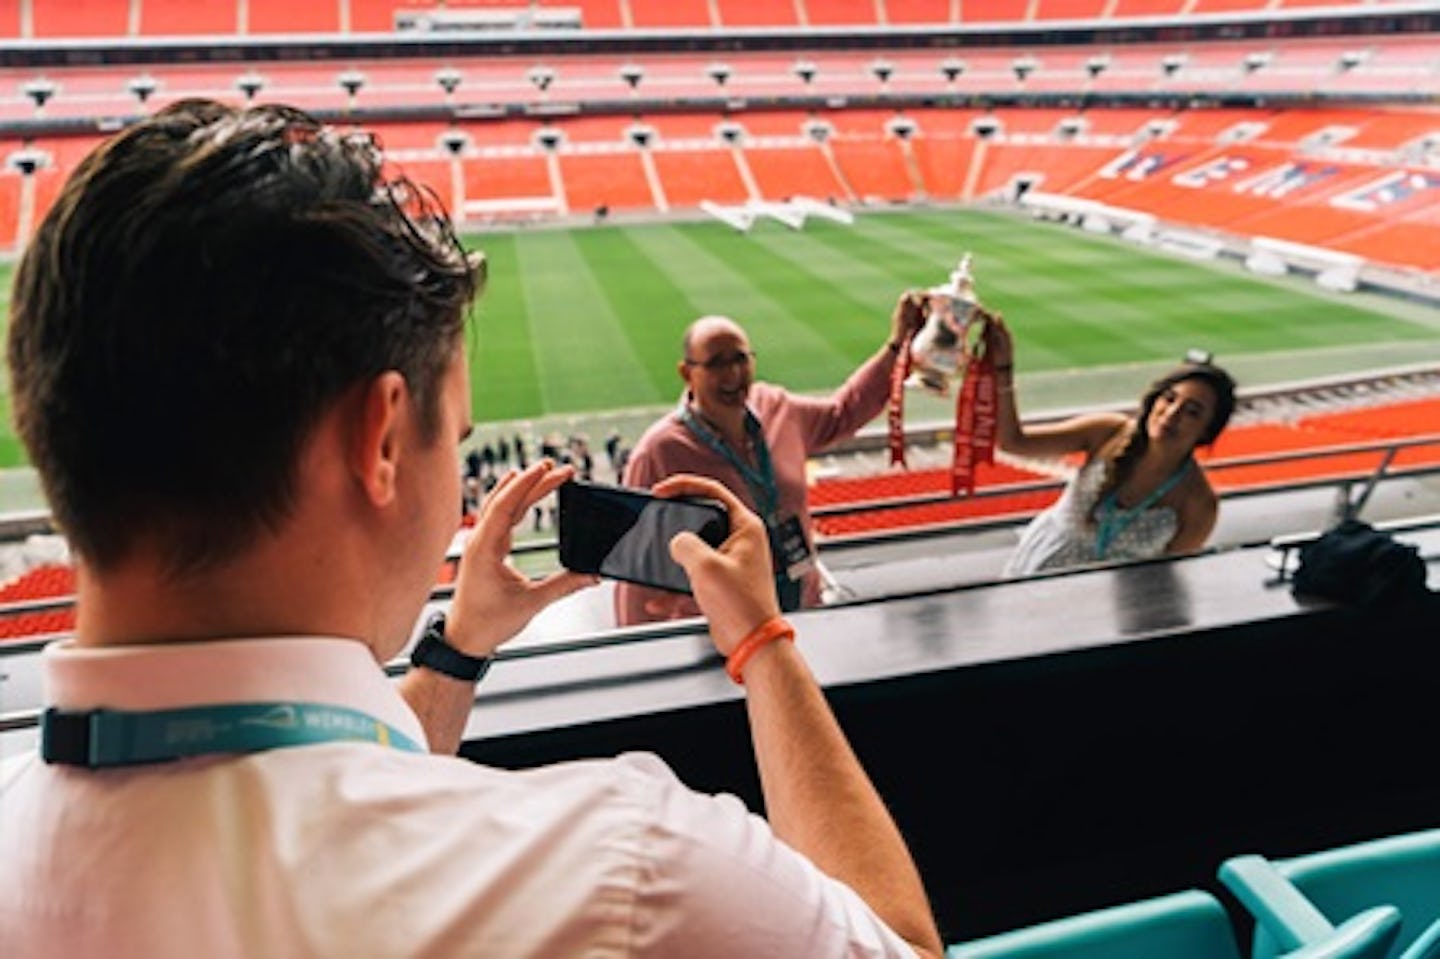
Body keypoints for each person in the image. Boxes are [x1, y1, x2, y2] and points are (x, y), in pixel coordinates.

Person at [0, 101, 942, 959]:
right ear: (377, 442)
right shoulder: (630, 870)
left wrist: (459, 646)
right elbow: (900, 947)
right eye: (451, 438)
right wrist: (765, 642)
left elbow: (295, 787)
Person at [617, 300, 925, 625]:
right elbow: (634, 573)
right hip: (724, 636)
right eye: (717, 363)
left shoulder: (778, 409)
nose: (733, 374)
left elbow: (844, 411)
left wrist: (897, 345)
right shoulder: (659, 453)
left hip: (803, 612)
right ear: (686, 373)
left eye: (740, 358)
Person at [984, 313, 1237, 576]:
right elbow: (1013, 442)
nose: (1172, 414)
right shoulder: (1108, 432)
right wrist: (1003, 369)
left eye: (1192, 411)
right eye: (1169, 398)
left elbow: (1166, 579)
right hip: (1040, 571)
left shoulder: (1199, 503)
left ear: (1208, 429)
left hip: (1113, 607)